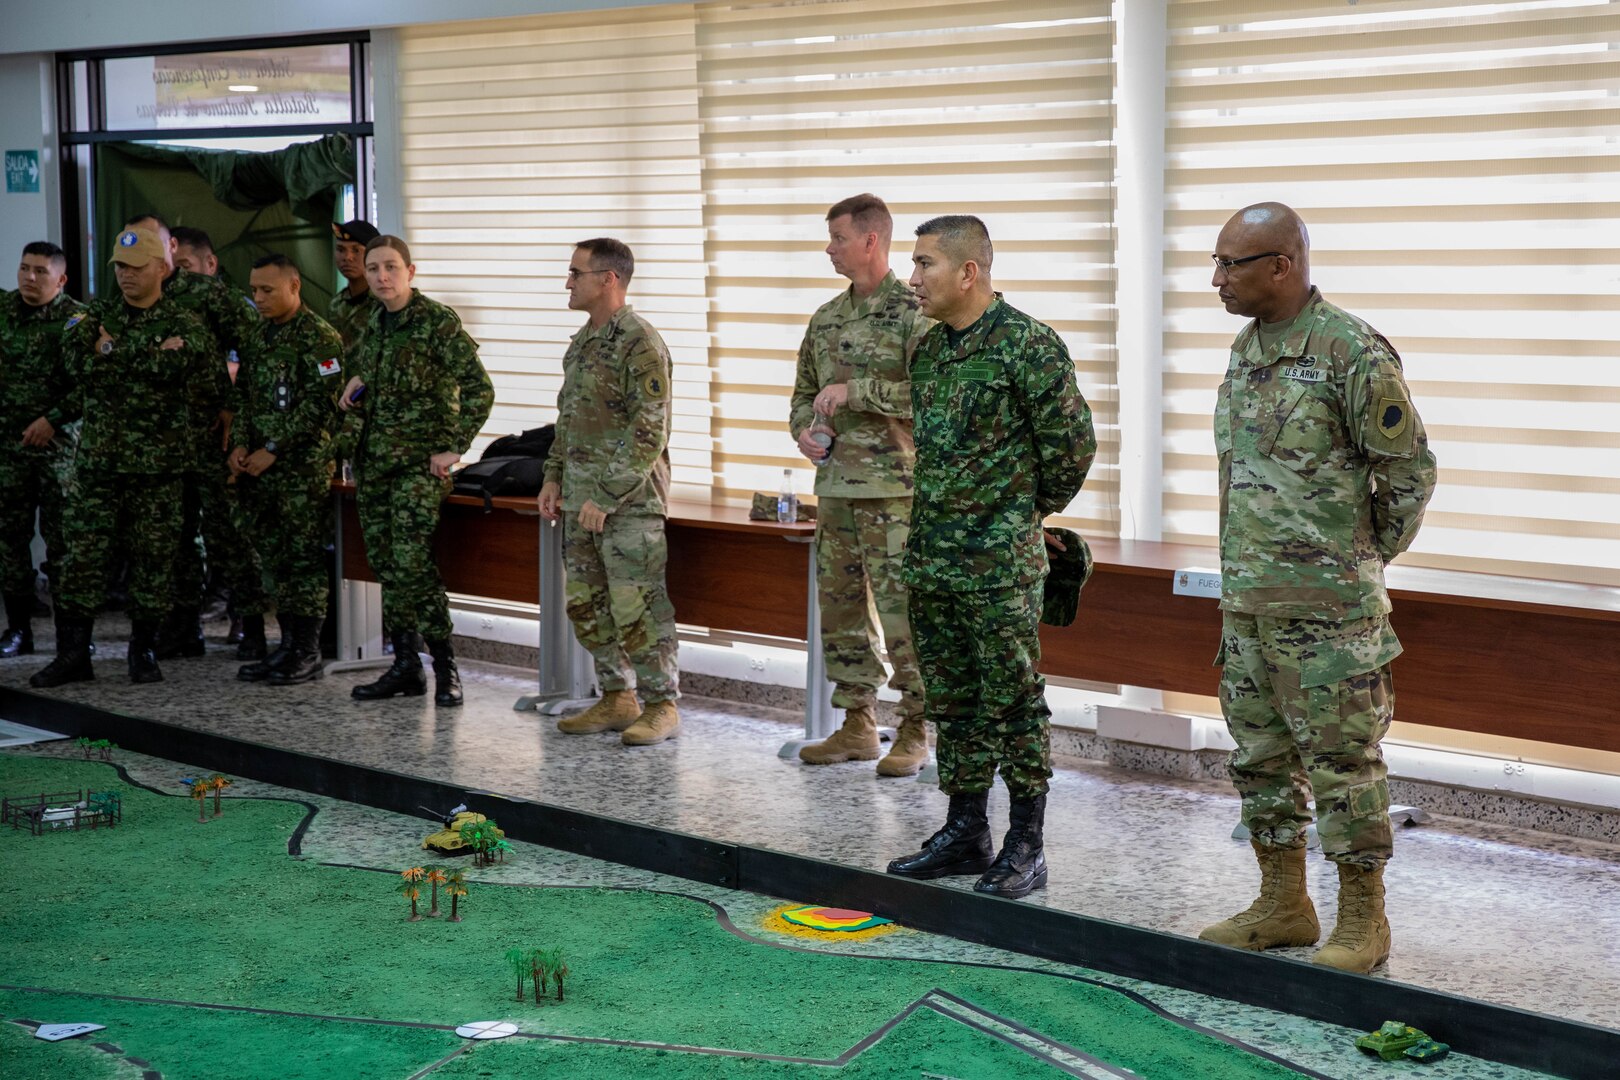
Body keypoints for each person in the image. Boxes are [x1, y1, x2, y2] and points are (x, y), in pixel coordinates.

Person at [1197, 202, 1437, 974]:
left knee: (1343, 767)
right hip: (1250, 607)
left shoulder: (1350, 352)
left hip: (1329, 615)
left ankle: (1364, 921)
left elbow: (1408, 473)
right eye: (1217, 261)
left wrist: (1356, 561)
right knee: (1260, 758)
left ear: (1282, 266)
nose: (1217, 279)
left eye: (1232, 264)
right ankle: (1283, 905)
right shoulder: (1248, 348)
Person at [886, 215, 1094, 899]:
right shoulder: (930, 347)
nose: (912, 280)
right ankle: (966, 828)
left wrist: (1019, 514)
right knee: (955, 698)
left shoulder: (1027, 346)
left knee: (1013, 703)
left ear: (967, 271)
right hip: (934, 557)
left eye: (924, 265)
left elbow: (1072, 449)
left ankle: (1027, 843)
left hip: (998, 564)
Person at [30, 226, 216, 687]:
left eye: (135, 267)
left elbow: (185, 370)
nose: (125, 275)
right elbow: (77, 365)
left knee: (154, 562)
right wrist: (141, 353)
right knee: (80, 560)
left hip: (158, 468)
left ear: (161, 268)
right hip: (99, 465)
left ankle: (144, 650)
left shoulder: (185, 321)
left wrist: (112, 350)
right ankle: (74, 653)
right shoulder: (94, 316)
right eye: (118, 266)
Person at [788, 194, 932, 775]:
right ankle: (857, 724)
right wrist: (805, 431)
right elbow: (802, 394)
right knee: (841, 613)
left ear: (871, 241)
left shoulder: (914, 313)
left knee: (903, 616)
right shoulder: (825, 318)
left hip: (895, 492)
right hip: (837, 491)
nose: (829, 248)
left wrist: (859, 392)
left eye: (838, 238)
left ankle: (918, 729)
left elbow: (932, 398)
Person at [537, 238, 681, 746]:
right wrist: (553, 477)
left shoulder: (639, 341)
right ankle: (618, 696)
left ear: (608, 280)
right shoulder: (581, 343)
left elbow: (650, 429)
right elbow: (567, 422)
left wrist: (607, 494)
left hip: (627, 506)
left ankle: (662, 705)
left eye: (576, 272)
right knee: (586, 604)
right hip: (580, 500)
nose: (568, 281)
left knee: (636, 606)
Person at [338, 235, 493, 706]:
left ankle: (445, 667)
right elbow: (370, 377)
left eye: (390, 267)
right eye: (373, 269)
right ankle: (406, 665)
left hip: (418, 469)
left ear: (411, 271)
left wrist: (453, 448)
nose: (381, 277)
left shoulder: (436, 322)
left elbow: (479, 389)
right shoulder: (371, 322)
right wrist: (354, 388)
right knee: (386, 563)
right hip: (374, 462)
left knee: (412, 564)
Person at [122, 217, 267, 663]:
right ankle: (183, 628)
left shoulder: (208, 294)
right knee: (173, 538)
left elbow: (258, 350)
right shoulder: (128, 300)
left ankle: (254, 629)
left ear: (169, 247)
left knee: (229, 533)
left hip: (210, 439)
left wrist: (233, 410)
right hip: (158, 443)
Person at [229, 254, 347, 686]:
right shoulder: (257, 336)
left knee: (303, 560)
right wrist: (241, 442)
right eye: (254, 290)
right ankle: (286, 646)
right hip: (259, 469)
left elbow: (323, 406)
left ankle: (308, 651)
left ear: (294, 287)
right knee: (274, 560)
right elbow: (243, 397)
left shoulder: (320, 338)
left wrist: (274, 448)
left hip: (301, 469)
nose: (258, 298)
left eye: (268, 290)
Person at [0, 242, 82, 657]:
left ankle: (69, 642)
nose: (30, 278)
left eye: (40, 272)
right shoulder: (4, 311)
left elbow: (92, 384)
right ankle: (18, 631)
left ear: (61, 279)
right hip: (8, 449)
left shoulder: (76, 321)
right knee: (8, 541)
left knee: (63, 545)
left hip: (57, 452)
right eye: (24, 269)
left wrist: (53, 419)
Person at [328, 220, 379, 354]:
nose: (347, 257)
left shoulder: (384, 303)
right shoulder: (336, 304)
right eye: (340, 250)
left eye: (356, 250)